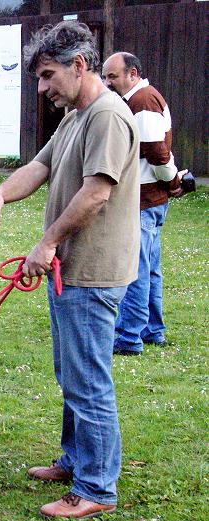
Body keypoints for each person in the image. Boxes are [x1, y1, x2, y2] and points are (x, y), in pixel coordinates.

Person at [0, 21, 139, 519]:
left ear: (79, 66)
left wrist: (46, 242)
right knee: (71, 373)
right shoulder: (74, 117)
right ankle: (75, 461)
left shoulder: (108, 116)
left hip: (92, 272)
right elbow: (39, 168)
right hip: (70, 271)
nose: (42, 88)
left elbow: (97, 193)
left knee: (88, 380)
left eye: (47, 76)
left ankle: (96, 488)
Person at [102, 52, 186, 356]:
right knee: (149, 268)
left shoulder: (142, 101)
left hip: (144, 198)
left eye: (113, 76)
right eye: (106, 76)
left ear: (133, 73)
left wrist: (173, 181)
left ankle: (128, 337)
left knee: (136, 268)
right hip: (150, 198)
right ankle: (152, 330)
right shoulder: (141, 98)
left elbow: (156, 152)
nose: (108, 82)